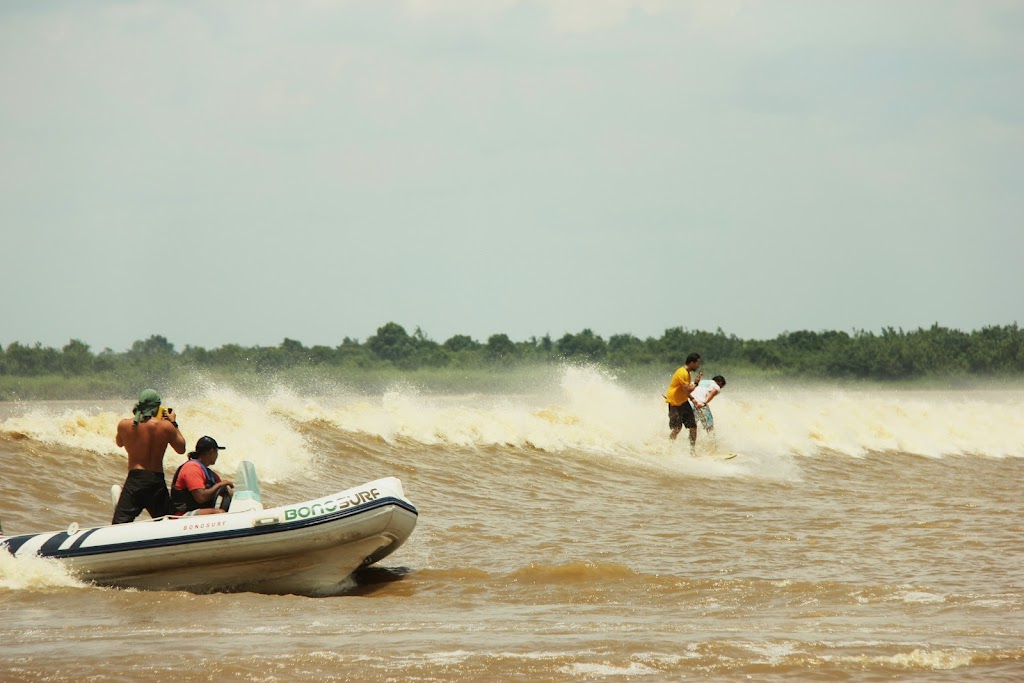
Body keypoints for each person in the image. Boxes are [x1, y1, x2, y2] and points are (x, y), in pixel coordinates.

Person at [112, 389, 186, 524]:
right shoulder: (166, 427)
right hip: (155, 480)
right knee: (168, 523)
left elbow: (119, 443)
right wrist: (173, 423)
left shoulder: (124, 425)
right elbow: (181, 449)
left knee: (119, 524)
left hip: (135, 480)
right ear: (157, 407)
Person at [170, 436, 234, 516]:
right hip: (182, 515)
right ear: (210, 452)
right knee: (219, 513)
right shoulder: (192, 468)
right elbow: (201, 497)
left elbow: (225, 490)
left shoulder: (210, 474)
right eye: (216, 452)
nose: (217, 455)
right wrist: (221, 484)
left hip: (198, 512)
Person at [665, 352, 702, 448]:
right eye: (697, 363)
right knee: (677, 428)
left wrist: (692, 399)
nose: (698, 366)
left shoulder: (688, 373)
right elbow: (687, 389)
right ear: (692, 363)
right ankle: (668, 447)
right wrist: (696, 383)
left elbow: (685, 391)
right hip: (675, 403)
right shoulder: (682, 373)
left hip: (683, 402)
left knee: (693, 426)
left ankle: (692, 450)